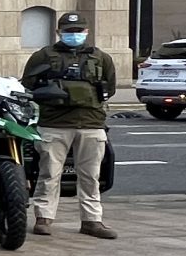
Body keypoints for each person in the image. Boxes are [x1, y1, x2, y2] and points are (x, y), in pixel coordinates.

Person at [23, 12, 117, 240]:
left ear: (86, 32)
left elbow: (110, 87)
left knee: (90, 176)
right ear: (59, 32)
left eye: (78, 31)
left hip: (91, 123)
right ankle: (43, 218)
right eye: (68, 31)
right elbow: (29, 85)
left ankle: (92, 220)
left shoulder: (100, 57)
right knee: (49, 174)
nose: (73, 35)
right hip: (54, 124)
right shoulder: (43, 56)